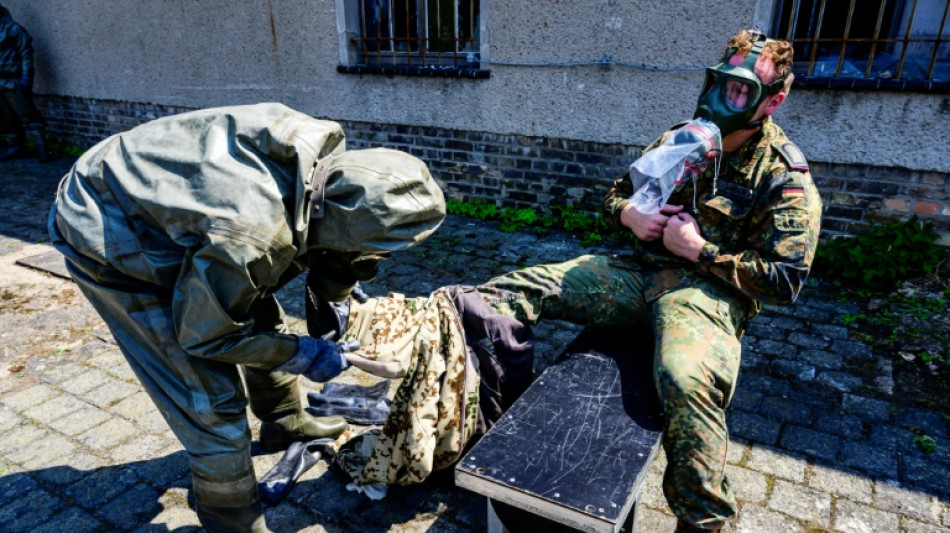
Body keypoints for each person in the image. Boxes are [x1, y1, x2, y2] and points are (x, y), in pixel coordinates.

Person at [311, 29, 822, 532]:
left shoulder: (783, 175)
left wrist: (701, 251)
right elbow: (618, 195)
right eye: (718, 82)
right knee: (514, 291)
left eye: (739, 91)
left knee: (686, 381)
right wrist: (630, 217)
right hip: (636, 275)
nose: (720, 99)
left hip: (705, 297)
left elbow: (785, 281)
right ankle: (456, 392)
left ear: (771, 102)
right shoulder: (682, 138)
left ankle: (704, 519)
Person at [48, 103, 446, 533]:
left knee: (262, 320)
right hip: (106, 225)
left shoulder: (332, 170)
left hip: (180, 202)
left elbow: (338, 250)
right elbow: (207, 336)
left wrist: (336, 295)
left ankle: (284, 423)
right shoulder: (252, 238)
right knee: (209, 401)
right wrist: (309, 354)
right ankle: (232, 518)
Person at [0, 3, 48, 161]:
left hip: (14, 80)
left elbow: (26, 54)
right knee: (5, 118)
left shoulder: (14, 29)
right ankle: (15, 146)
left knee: (28, 115)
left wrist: (26, 77)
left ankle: (42, 147)